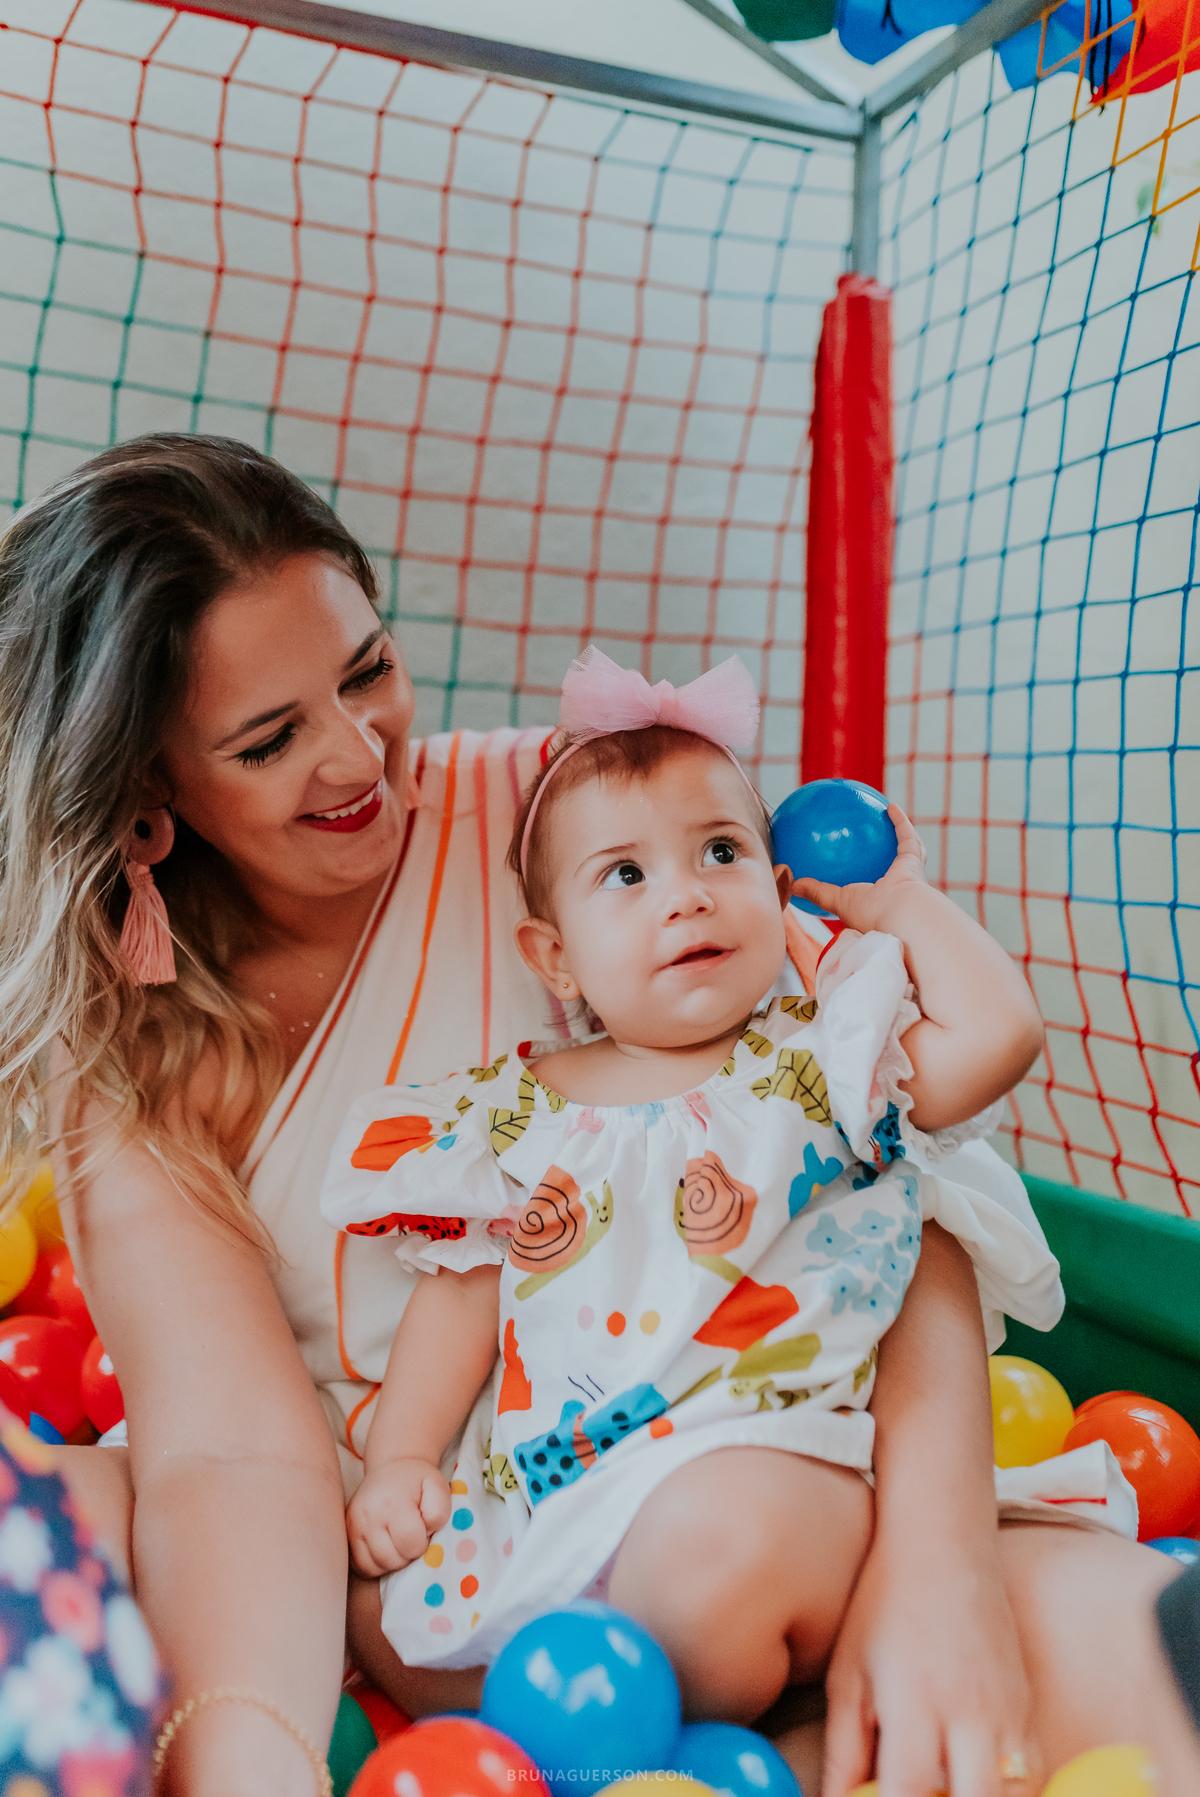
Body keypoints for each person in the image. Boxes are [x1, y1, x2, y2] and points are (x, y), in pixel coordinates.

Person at [0, 434, 1195, 1797]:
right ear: (150, 801)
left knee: (1136, 1673)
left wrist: (941, 1568)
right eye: (270, 740)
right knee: (62, 1527)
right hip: (427, 1559)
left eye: (368, 671)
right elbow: (225, 1447)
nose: (358, 757)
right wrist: (255, 1753)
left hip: (773, 1464)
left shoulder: (582, 820)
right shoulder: (127, 1039)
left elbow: (873, 1175)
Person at [321, 648, 1098, 1699]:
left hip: (784, 1466)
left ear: (778, 893)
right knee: (379, 1611)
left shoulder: (821, 1062)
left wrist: (897, 902)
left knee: (706, 1561)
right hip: (558, 1497)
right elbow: (459, 1297)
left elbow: (1001, 1035)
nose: (685, 897)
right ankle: (587, 1746)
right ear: (555, 958)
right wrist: (406, 1459)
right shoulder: (513, 1113)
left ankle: (701, 1717)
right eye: (627, 875)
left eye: (720, 852)